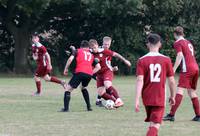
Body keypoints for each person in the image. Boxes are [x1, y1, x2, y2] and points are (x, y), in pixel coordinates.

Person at [135, 33, 176, 136]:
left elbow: (140, 80)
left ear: (147, 44)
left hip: (147, 97)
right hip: (159, 97)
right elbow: (171, 81)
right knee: (155, 125)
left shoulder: (141, 60)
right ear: (160, 44)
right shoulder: (166, 59)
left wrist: (137, 99)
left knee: (152, 124)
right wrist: (173, 96)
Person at [163, 26, 200, 122]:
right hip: (195, 68)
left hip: (187, 69)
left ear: (175, 34)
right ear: (182, 33)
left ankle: (171, 115)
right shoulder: (188, 43)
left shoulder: (178, 42)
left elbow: (180, 56)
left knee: (179, 90)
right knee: (191, 92)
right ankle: (198, 115)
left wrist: (173, 69)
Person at [89, 39, 131, 108]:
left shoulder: (104, 51)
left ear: (97, 45)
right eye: (92, 48)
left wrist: (125, 60)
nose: (94, 49)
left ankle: (119, 100)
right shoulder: (89, 52)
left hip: (107, 71)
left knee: (107, 84)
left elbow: (116, 54)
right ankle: (115, 102)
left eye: (95, 48)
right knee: (101, 93)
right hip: (99, 74)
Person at [61, 40, 101, 112]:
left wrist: (65, 69)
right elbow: (98, 67)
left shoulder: (77, 51)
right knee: (83, 87)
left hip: (79, 72)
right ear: (88, 47)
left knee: (68, 89)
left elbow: (70, 59)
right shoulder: (91, 54)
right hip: (89, 74)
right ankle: (89, 107)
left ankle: (66, 109)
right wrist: (91, 73)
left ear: (81, 46)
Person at [95, 36, 118, 106]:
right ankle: (115, 99)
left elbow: (108, 63)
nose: (107, 46)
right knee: (105, 85)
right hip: (96, 71)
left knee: (105, 86)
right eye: (105, 44)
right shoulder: (98, 50)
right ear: (102, 43)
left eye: (108, 44)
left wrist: (112, 68)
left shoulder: (108, 52)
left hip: (104, 71)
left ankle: (99, 100)